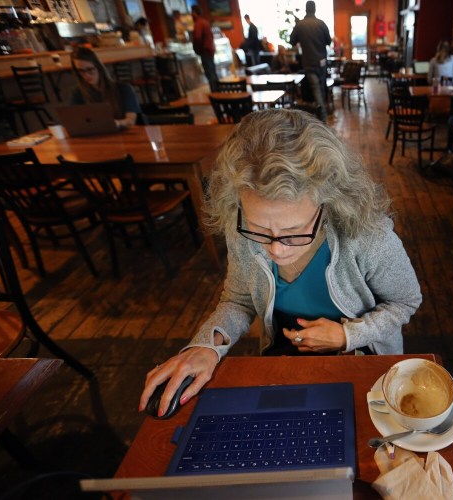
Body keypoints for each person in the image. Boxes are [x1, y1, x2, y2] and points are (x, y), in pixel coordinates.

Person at [138, 108, 422, 417]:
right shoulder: (240, 228)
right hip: (285, 357)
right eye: (260, 230)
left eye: (294, 232)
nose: (275, 250)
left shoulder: (368, 236)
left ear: (329, 203)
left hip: (364, 357)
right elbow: (238, 300)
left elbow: (406, 301)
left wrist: (348, 335)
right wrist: (205, 346)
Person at [69, 47, 141, 129]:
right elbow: (75, 122)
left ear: (99, 67)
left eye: (90, 69)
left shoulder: (123, 88)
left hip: (121, 133)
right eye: (81, 71)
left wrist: (116, 123)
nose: (86, 75)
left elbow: (130, 121)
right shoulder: (77, 92)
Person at [290, 1, 331, 120]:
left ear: (306, 9)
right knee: (320, 88)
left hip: (309, 62)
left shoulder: (300, 25)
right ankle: (322, 116)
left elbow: (292, 41)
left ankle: (322, 116)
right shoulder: (321, 23)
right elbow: (329, 41)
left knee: (316, 88)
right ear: (315, 9)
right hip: (322, 61)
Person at [191, 4, 218, 92]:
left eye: (192, 12)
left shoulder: (198, 23)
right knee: (213, 72)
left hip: (205, 51)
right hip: (210, 50)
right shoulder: (205, 22)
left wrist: (196, 49)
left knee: (209, 73)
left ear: (195, 13)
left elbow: (197, 38)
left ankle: (215, 94)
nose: (191, 14)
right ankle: (218, 91)